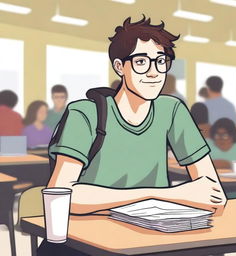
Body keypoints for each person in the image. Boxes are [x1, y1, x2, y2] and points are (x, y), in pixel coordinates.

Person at [38, 16, 226, 256]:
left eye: (161, 62)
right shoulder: (85, 113)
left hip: (152, 237)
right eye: (140, 62)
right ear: (119, 67)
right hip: (87, 243)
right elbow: (63, 195)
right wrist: (161, 194)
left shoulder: (172, 110)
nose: (153, 72)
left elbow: (213, 194)